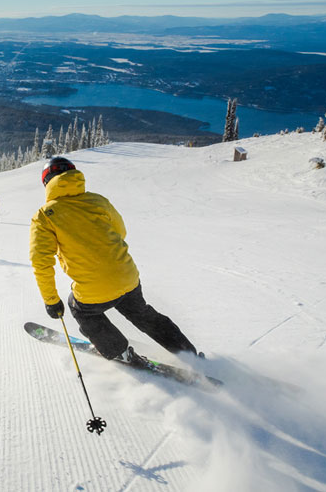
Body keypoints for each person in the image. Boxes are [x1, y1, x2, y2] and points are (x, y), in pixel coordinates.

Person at [29, 156, 200, 366]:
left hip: (94, 288)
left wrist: (51, 301)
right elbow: (121, 232)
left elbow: (41, 262)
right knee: (142, 314)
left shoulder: (45, 216)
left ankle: (118, 351)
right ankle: (186, 351)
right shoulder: (98, 200)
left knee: (80, 309)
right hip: (128, 276)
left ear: (47, 183)